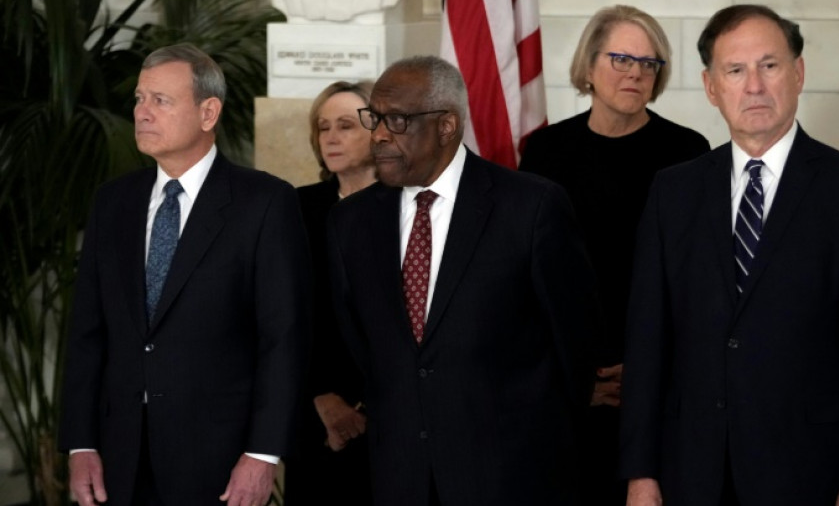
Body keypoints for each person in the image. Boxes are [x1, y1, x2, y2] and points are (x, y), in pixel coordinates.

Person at [619, 4, 839, 506]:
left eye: (769, 66)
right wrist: (640, 475)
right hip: (692, 476)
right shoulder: (674, 193)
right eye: (736, 70)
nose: (753, 85)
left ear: (797, 74)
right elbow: (649, 346)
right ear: (713, 88)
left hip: (811, 479)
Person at [325, 56, 600, 506]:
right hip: (400, 475)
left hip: (512, 475)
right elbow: (362, 344)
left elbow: (575, 345)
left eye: (395, 120)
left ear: (446, 126)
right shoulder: (349, 223)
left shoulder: (530, 209)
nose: (377, 135)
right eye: (374, 118)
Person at [58, 43, 312, 505]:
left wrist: (263, 453)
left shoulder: (265, 203)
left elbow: (284, 338)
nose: (142, 112)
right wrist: (81, 443)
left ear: (208, 112)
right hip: (119, 457)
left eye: (161, 100)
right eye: (139, 98)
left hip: (220, 459)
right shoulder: (112, 202)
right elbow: (86, 335)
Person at [519, 4, 709, 504]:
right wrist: (581, 375)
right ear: (588, 67)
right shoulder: (544, 152)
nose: (636, 73)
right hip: (565, 384)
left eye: (649, 64)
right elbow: (529, 277)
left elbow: (696, 280)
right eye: (621, 59)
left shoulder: (688, 151)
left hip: (663, 381)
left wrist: (644, 368)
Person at [283, 80, 376, 505]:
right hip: (313, 414)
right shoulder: (295, 209)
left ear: (380, 131)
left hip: (393, 417)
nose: (331, 138)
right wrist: (320, 396)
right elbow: (283, 316)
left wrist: (366, 405)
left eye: (345, 126)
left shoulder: (410, 207)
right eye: (323, 128)